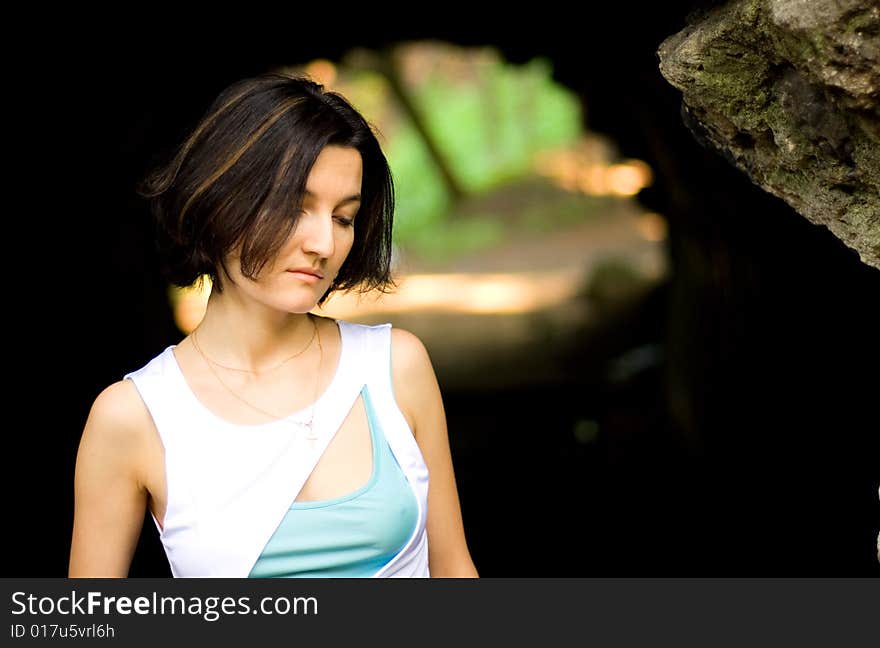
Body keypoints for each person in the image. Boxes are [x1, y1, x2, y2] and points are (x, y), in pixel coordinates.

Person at [68, 73, 479, 578]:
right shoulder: (133, 418)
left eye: (344, 218)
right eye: (295, 207)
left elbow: (455, 570)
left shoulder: (396, 365)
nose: (324, 243)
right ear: (221, 197)